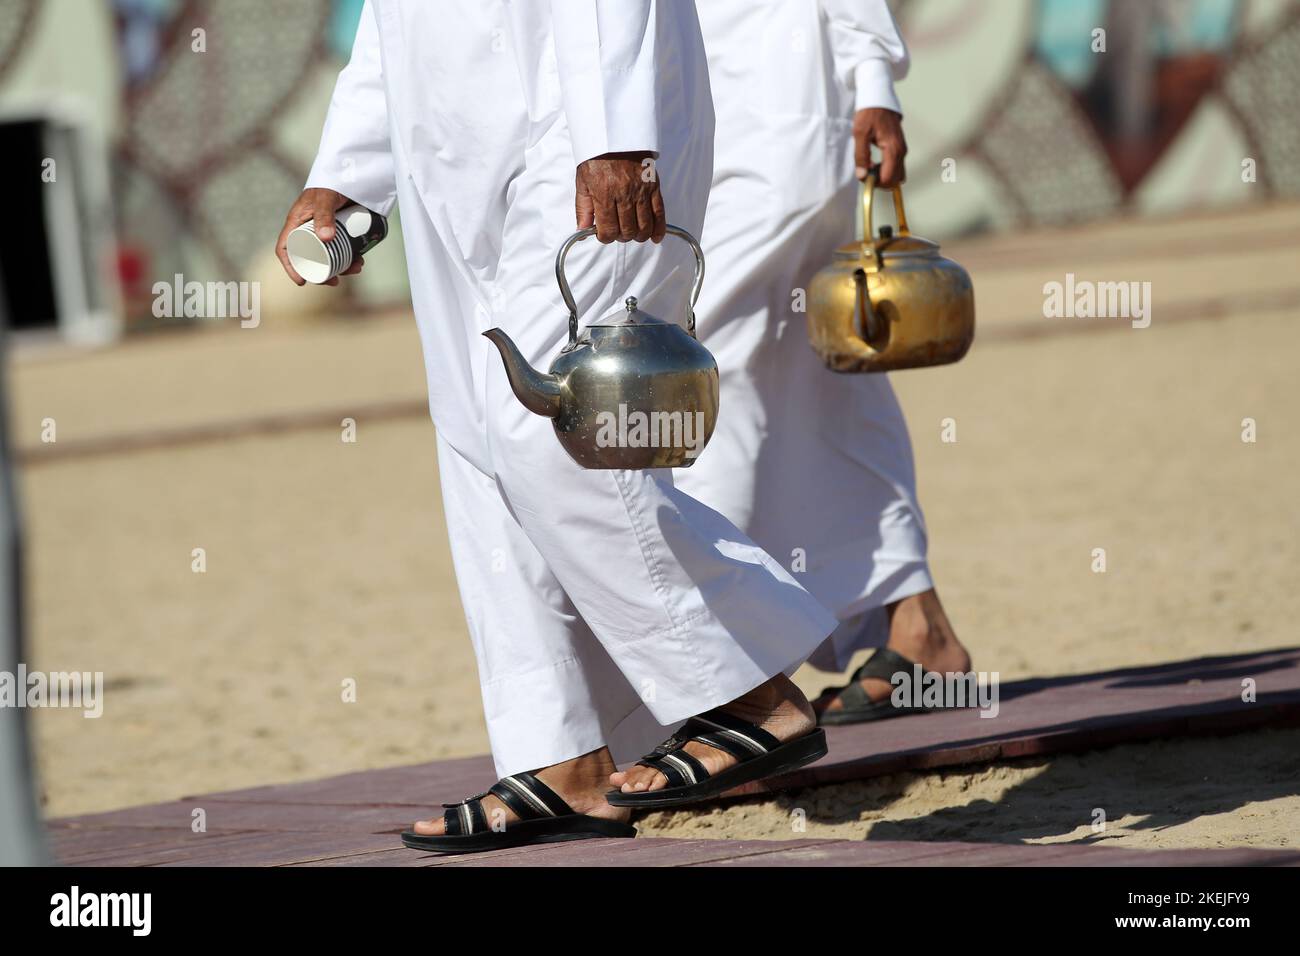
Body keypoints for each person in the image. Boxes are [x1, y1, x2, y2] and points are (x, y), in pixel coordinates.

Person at [278, 0, 835, 853]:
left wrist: (616, 130)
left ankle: (753, 693)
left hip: (586, 120)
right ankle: (559, 758)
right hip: (445, 137)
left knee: (561, 428)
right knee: (478, 441)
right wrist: (346, 170)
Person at [675, 0, 972, 726]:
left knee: (710, 367)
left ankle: (738, 666)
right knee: (823, 372)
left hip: (783, 108)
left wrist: (873, 80)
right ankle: (917, 627)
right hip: (698, 113)